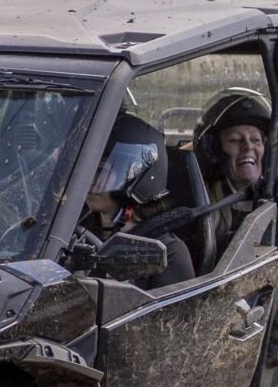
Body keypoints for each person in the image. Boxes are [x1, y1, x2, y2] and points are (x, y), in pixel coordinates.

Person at [81, 112, 195, 290]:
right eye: (88, 170)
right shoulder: (76, 232)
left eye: (102, 171)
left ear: (138, 175)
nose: (90, 180)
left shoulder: (168, 252)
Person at [192, 87, 273, 255]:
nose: (248, 147)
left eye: (255, 140)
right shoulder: (199, 210)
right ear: (213, 151)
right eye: (235, 140)